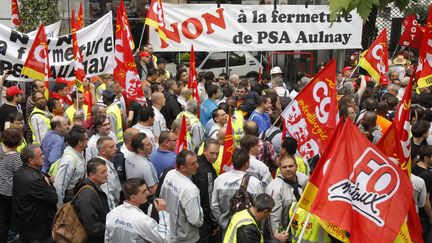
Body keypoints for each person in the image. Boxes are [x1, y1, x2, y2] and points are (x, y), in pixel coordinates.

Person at [12, 144, 58, 243]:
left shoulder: (19, 171)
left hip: (25, 223)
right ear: (31, 160)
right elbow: (53, 198)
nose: (44, 157)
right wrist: (49, 183)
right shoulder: (34, 179)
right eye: (40, 155)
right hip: (37, 227)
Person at [211, 149, 264, 231]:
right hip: (248, 230)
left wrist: (223, 223)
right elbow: (260, 208)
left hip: (226, 229)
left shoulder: (219, 180)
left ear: (232, 163)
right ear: (247, 164)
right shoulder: (254, 183)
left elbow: (214, 205)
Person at [105, 178, 170, 243]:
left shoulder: (111, 214)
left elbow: (107, 239)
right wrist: (162, 212)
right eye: (144, 191)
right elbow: (164, 239)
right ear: (133, 197)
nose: (148, 193)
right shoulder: (143, 221)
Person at [159, 150, 204, 242]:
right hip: (184, 238)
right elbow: (195, 220)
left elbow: (161, 196)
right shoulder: (190, 189)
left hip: (168, 231)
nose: (197, 166)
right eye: (193, 164)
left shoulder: (170, 174)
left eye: (196, 162)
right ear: (183, 168)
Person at [265, 155, 308, 239]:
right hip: (287, 234)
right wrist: (277, 235)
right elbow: (273, 217)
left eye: (291, 166)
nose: (288, 169)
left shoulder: (304, 179)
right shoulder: (274, 188)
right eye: (284, 167)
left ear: (296, 167)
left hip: (304, 229)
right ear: (280, 169)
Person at [74, 157, 110, 243]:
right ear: (92, 175)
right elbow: (93, 227)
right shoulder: (87, 195)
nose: (106, 174)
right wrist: (111, 227)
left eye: (106, 171)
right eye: (102, 172)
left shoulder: (93, 189)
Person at [192, 139, 220, 243]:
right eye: (212, 153)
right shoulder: (206, 173)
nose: (215, 157)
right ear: (204, 151)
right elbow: (208, 199)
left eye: (217, 153)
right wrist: (213, 223)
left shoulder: (198, 160)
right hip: (204, 219)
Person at [53, 125, 88, 206]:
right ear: (80, 142)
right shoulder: (69, 160)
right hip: (70, 199)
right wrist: (61, 207)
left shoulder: (80, 153)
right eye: (86, 139)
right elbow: (60, 186)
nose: (88, 140)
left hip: (77, 194)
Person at [0, 128, 23, 242]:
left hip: (1, 188)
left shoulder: (0, 150)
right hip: (11, 192)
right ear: (19, 142)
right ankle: (14, 235)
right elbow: (20, 175)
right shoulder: (16, 157)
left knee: (3, 218)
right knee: (15, 216)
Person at [97, 136, 122, 210]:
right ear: (103, 151)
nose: (116, 149)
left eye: (115, 146)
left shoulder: (108, 163)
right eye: (111, 147)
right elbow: (107, 193)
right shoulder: (103, 168)